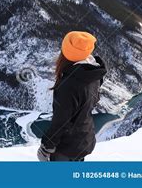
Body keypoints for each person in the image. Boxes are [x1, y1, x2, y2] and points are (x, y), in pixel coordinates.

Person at [37, 31, 107, 162]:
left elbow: (61, 121)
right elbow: (91, 102)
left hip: (66, 148)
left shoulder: (68, 84)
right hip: (85, 139)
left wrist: (46, 147)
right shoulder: (94, 73)